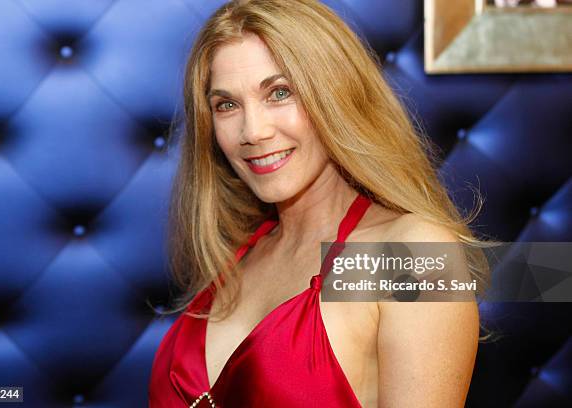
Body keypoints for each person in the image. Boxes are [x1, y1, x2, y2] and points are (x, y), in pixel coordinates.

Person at [149, 0, 489, 406]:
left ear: (336, 95)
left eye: (279, 92)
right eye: (226, 105)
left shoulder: (410, 254)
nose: (252, 131)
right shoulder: (236, 255)